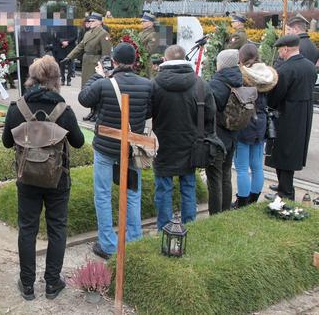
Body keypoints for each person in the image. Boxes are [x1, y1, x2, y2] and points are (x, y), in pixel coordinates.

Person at [2, 55, 84, 300]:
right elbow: (78, 143)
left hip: (26, 177)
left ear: (32, 79)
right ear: (57, 80)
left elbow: (7, 143)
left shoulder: (18, 108)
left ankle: (27, 284)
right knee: (57, 228)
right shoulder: (63, 110)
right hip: (57, 178)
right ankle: (51, 283)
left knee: (27, 229)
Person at [78, 43, 152, 259]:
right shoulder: (147, 85)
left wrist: (97, 76)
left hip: (105, 147)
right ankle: (134, 239)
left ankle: (108, 244)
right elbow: (149, 111)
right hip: (132, 147)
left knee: (102, 194)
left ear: (115, 62)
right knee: (132, 193)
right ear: (134, 62)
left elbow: (84, 99)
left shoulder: (104, 84)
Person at [151, 45, 215, 229]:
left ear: (165, 60)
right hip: (192, 144)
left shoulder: (155, 84)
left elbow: (146, 110)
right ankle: (190, 227)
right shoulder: (201, 84)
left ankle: (164, 227)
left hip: (163, 143)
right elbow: (211, 115)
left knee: (163, 188)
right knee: (188, 186)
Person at [264, 35, 316, 201]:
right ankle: (285, 187)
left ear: (286, 49)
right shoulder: (310, 67)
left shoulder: (285, 69)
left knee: (283, 154)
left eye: (280, 50)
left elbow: (274, 98)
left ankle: (286, 193)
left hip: (286, 117)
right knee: (292, 154)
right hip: (304, 116)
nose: (280, 54)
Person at [233, 44, 277, 207]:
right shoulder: (267, 73)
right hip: (262, 120)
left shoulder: (242, 74)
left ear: (241, 56)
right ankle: (254, 199)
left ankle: (242, 201)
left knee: (242, 167)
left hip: (246, 121)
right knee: (257, 165)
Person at [207, 49, 243, 215]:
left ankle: (215, 216)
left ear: (221, 63)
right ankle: (226, 212)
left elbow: (209, 110)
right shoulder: (241, 79)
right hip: (233, 135)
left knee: (215, 178)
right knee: (226, 175)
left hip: (217, 138)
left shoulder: (217, 83)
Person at [62, 13, 112, 120]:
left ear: (100, 22)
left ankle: (98, 112)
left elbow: (106, 54)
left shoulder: (104, 34)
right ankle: (92, 111)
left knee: (96, 89)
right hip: (87, 63)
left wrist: (104, 69)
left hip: (96, 64)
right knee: (88, 89)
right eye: (89, 21)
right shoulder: (88, 33)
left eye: (93, 21)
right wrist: (69, 57)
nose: (90, 23)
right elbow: (80, 46)